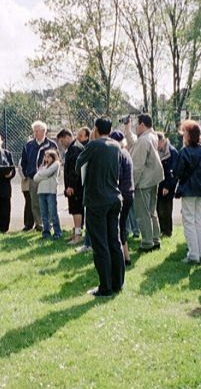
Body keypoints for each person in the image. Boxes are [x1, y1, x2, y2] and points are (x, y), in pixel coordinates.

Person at [76, 117, 124, 297]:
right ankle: (117, 283)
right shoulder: (116, 146)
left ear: (95, 129)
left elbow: (78, 165)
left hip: (97, 200)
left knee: (100, 243)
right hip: (114, 197)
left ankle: (105, 287)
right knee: (114, 240)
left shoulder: (94, 145)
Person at [174, 120, 201, 265]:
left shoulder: (184, 152)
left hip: (189, 190)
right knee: (200, 222)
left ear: (189, 135)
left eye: (184, 133)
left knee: (189, 222)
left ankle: (193, 254)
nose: (183, 136)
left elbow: (178, 172)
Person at [124, 114, 165, 252]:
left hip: (144, 182)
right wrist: (127, 128)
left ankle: (147, 243)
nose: (135, 127)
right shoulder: (152, 136)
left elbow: (137, 166)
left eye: (137, 124)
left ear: (142, 125)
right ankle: (155, 239)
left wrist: (131, 185)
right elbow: (133, 142)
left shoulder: (143, 140)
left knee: (143, 214)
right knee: (152, 211)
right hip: (154, 179)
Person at [21, 121, 57, 231]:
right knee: (34, 202)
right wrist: (27, 173)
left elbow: (56, 161)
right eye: (34, 131)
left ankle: (49, 224)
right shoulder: (28, 145)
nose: (35, 133)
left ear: (44, 131)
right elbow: (24, 161)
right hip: (33, 179)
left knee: (49, 202)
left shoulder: (51, 145)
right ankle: (39, 224)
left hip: (47, 179)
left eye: (37, 131)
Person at [109, 130, 134, 266]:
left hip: (122, 194)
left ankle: (121, 257)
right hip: (129, 192)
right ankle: (126, 256)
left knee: (118, 226)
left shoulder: (118, 154)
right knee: (122, 225)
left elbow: (116, 175)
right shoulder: (126, 153)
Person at [56, 128, 85, 245]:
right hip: (72, 186)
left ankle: (78, 236)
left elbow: (75, 170)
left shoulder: (75, 149)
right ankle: (75, 233)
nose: (61, 145)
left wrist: (71, 186)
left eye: (62, 141)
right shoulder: (71, 149)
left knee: (77, 210)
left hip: (76, 187)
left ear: (67, 137)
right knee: (73, 210)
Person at [34, 149, 62, 239]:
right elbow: (35, 178)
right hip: (41, 191)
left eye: (48, 156)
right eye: (45, 156)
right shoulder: (43, 166)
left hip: (50, 191)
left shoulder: (56, 164)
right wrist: (43, 174)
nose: (46, 158)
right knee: (44, 214)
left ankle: (57, 232)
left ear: (53, 157)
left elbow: (48, 173)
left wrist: (41, 174)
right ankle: (46, 232)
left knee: (53, 213)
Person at [156, 132, 179, 238]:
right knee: (158, 208)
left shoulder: (172, 152)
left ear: (163, 141)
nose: (157, 145)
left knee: (166, 209)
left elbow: (173, 171)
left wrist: (168, 186)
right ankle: (162, 229)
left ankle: (167, 231)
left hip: (167, 185)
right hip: (159, 183)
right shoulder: (159, 151)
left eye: (158, 143)